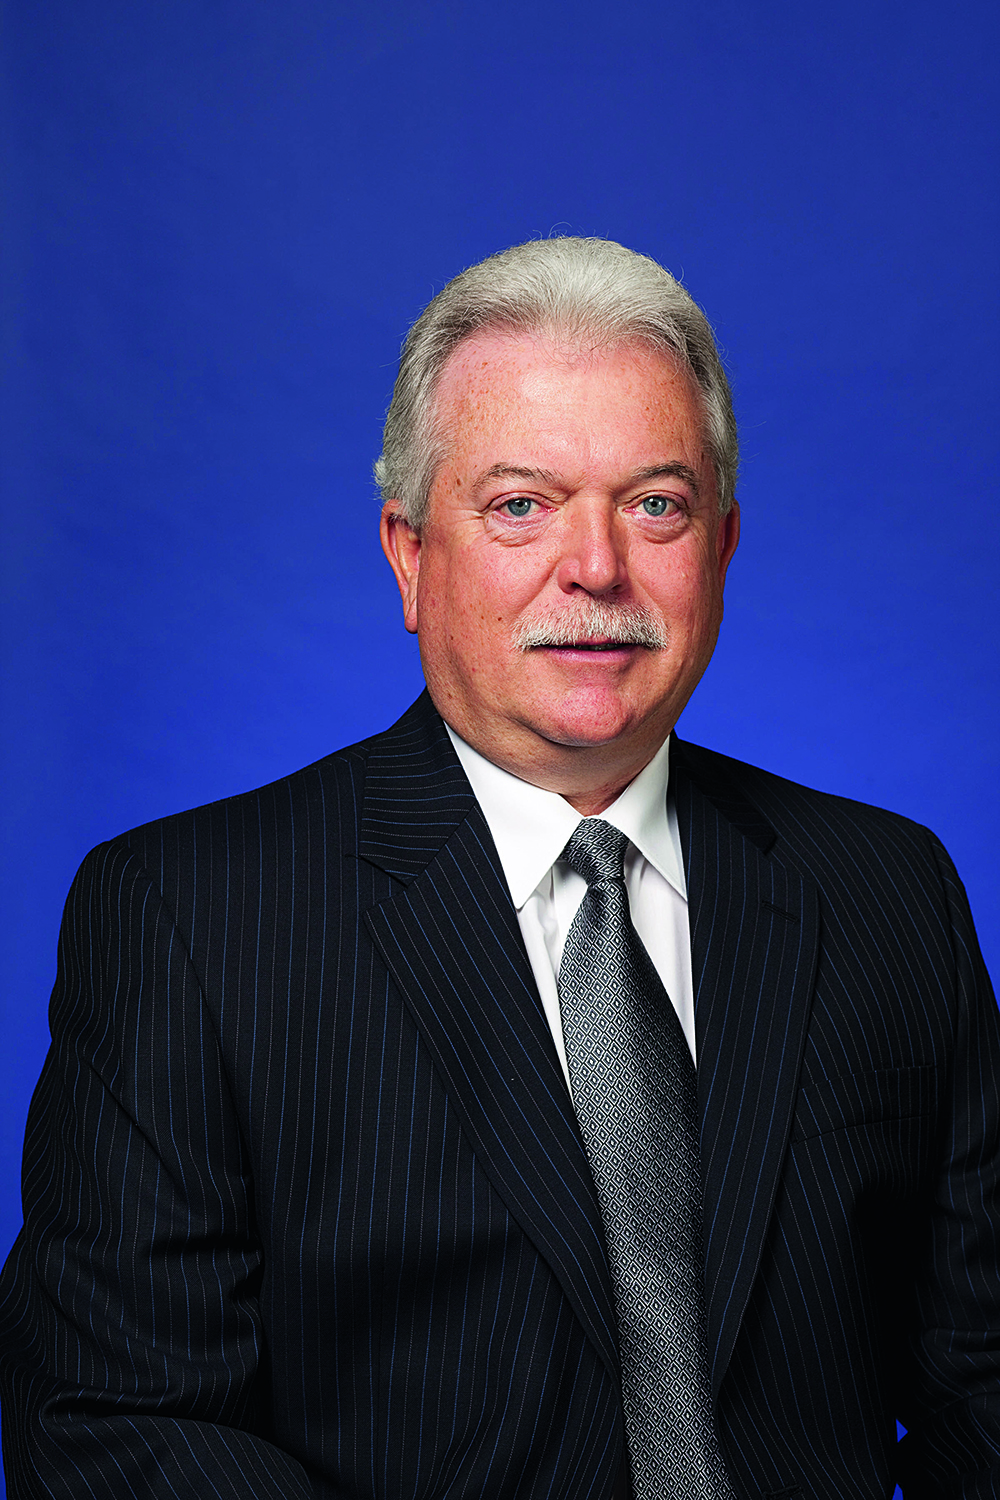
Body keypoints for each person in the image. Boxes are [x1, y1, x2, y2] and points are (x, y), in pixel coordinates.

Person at [1, 238, 998, 1500]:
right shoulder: (190, 919)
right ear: (409, 555)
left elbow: (981, 1385)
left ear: (722, 548)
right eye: (522, 505)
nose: (596, 567)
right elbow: (117, 1423)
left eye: (655, 504)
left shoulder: (888, 891)